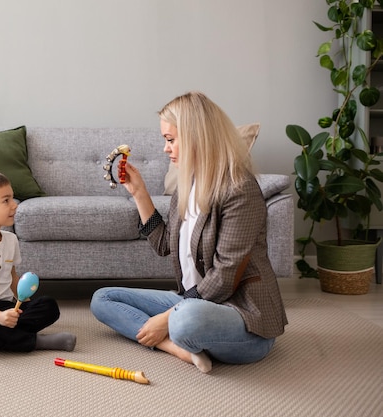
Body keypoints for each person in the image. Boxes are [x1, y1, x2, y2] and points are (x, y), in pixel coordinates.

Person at [90, 91, 288, 373]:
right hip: (191, 302)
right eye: (165, 140)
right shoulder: (188, 185)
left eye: (171, 140)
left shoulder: (240, 188)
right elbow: (163, 245)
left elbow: (225, 276)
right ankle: (174, 347)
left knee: (185, 321)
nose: (165, 148)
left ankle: (176, 332)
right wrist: (139, 192)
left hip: (242, 316)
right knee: (103, 299)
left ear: (198, 136)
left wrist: (167, 318)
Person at [0, 170, 76, 357]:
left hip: (5, 305)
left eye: (12, 199)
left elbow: (12, 277)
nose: (15, 205)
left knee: (48, 306)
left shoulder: (11, 240)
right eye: (6, 200)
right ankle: (36, 342)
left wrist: (24, 297)